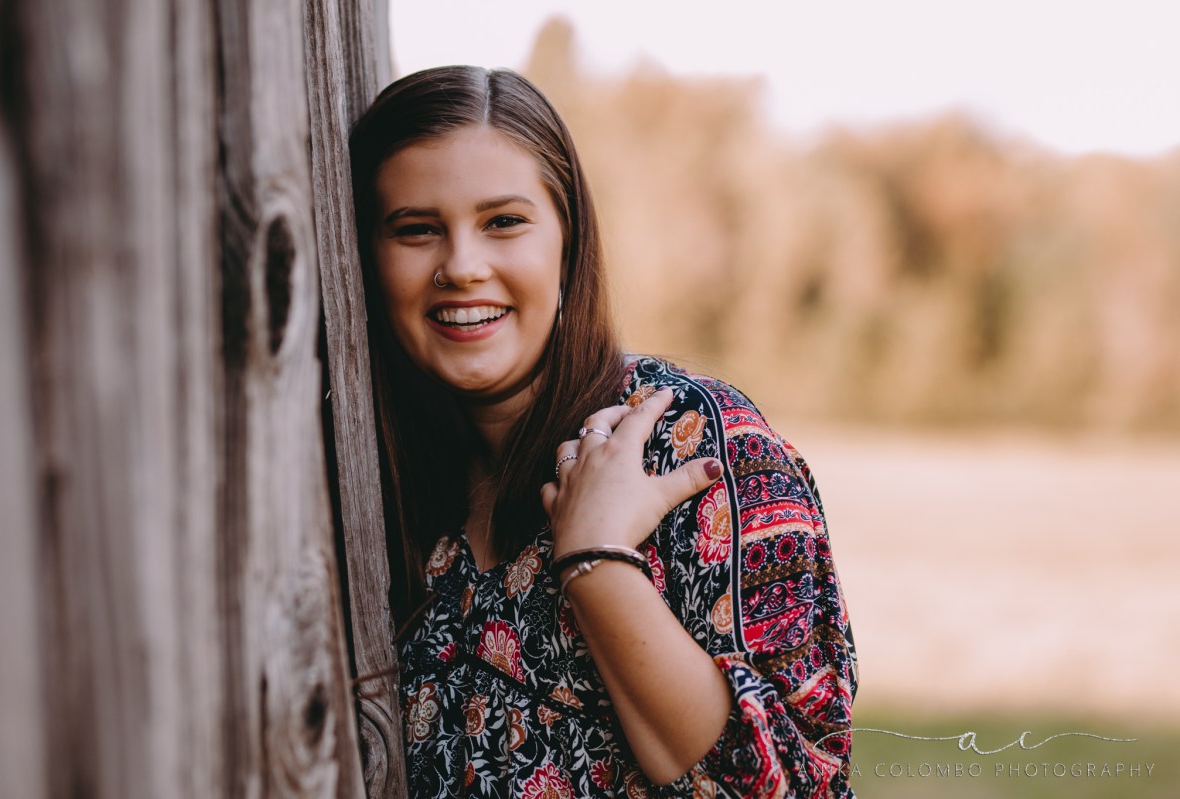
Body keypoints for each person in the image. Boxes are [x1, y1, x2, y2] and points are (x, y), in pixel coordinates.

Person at [349, 65, 857, 798]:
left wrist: (595, 556)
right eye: (417, 230)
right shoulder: (385, 486)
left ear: (568, 242)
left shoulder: (693, 442)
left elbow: (796, 783)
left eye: (504, 222)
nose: (460, 266)